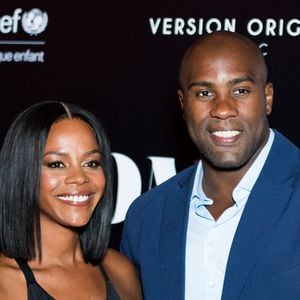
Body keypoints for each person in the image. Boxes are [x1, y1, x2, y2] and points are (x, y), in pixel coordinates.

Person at [120, 31, 300, 300]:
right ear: (183, 105)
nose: (223, 109)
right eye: (205, 93)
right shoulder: (146, 217)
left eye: (240, 90)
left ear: (268, 97)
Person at [0, 101, 142, 299]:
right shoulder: (5, 281)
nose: (79, 177)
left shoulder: (120, 271)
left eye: (91, 163)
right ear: (23, 172)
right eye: (57, 164)